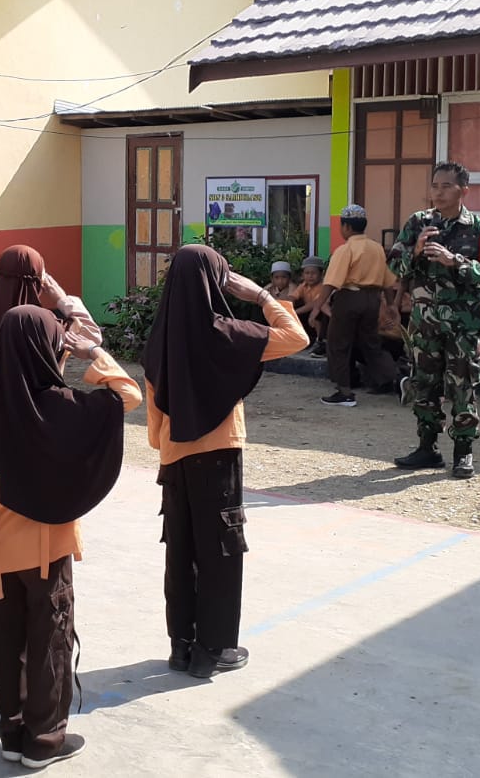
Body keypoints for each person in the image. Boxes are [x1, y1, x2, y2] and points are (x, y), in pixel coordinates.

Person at [0, 306, 142, 767]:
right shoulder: (60, 409)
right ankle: (45, 740)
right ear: (48, 350)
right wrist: (93, 352)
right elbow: (127, 395)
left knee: (9, 643)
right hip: (46, 552)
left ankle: (12, 734)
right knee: (49, 642)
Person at [144, 245, 309, 679]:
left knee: (181, 552)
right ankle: (212, 651)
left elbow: (154, 423)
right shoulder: (230, 333)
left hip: (173, 459)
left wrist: (172, 444)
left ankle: (181, 646)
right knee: (220, 552)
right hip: (218, 458)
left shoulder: (159, 341)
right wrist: (262, 296)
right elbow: (298, 338)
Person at [390, 161, 480, 479]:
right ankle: (427, 448)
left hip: (463, 324)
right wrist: (415, 250)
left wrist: (456, 261)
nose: (438, 193)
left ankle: (463, 453)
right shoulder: (418, 222)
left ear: (463, 190)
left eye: (446, 186)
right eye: (435, 186)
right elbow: (394, 266)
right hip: (425, 322)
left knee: (462, 386)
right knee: (424, 384)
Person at [0, 245, 100, 410]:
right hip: (39, 423)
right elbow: (92, 336)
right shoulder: (47, 328)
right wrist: (63, 299)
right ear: (37, 282)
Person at [320, 205, 398, 406]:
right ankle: (392, 379)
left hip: (349, 297)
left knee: (338, 343)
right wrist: (391, 304)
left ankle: (344, 392)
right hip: (373, 299)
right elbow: (387, 281)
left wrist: (316, 306)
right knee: (371, 342)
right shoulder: (377, 248)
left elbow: (331, 282)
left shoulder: (345, 249)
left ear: (346, 226)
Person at [286, 257, 328, 356]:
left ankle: (320, 341)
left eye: (313, 273)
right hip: (307, 311)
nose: (310, 276)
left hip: (320, 311)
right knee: (293, 314)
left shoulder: (324, 286)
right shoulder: (303, 285)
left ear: (321, 274)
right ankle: (299, 340)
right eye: (307, 273)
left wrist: (295, 312)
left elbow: (314, 303)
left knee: (317, 316)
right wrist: (288, 307)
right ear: (303, 275)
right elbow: (293, 297)